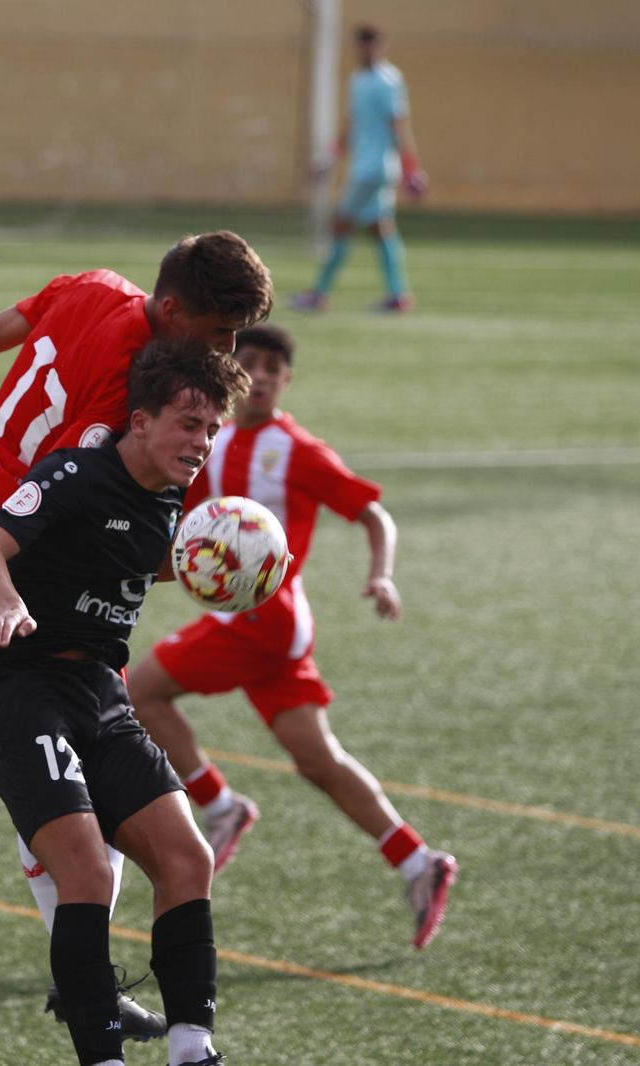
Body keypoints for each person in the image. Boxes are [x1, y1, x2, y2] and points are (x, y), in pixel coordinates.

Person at [0, 233, 274, 1040]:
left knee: (87, 747)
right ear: (176, 309)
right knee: (63, 756)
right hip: (9, 553)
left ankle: (79, 963)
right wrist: (198, 558)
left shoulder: (93, 285)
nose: (226, 348)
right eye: (220, 330)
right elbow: (80, 503)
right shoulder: (120, 399)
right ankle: (79, 964)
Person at [0, 337, 250, 1066]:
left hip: (98, 693)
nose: (201, 441)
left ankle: (192, 1047)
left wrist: (218, 568)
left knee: (188, 857)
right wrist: (5, 607)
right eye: (189, 423)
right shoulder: (75, 473)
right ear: (142, 420)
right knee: (85, 870)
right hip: (22, 691)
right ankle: (103, 1058)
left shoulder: (172, 498)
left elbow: (140, 560)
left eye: (212, 428)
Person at [125, 323, 458, 949]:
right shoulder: (212, 439)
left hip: (263, 621)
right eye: (250, 362)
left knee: (137, 694)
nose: (263, 375)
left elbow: (371, 513)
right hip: (259, 622)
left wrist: (381, 575)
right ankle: (420, 862)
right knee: (316, 760)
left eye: (275, 367)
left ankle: (220, 807)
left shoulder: (296, 449)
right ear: (233, 369)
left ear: (287, 381)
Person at [294, 23, 427, 313]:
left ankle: (319, 293)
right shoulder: (358, 80)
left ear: (380, 46)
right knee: (381, 230)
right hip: (365, 167)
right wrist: (328, 158)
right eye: (361, 44)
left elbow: (398, 125)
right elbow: (352, 127)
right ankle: (398, 295)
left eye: (371, 44)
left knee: (340, 225)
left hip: (374, 169)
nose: (365, 50)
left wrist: (411, 169)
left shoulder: (389, 80)